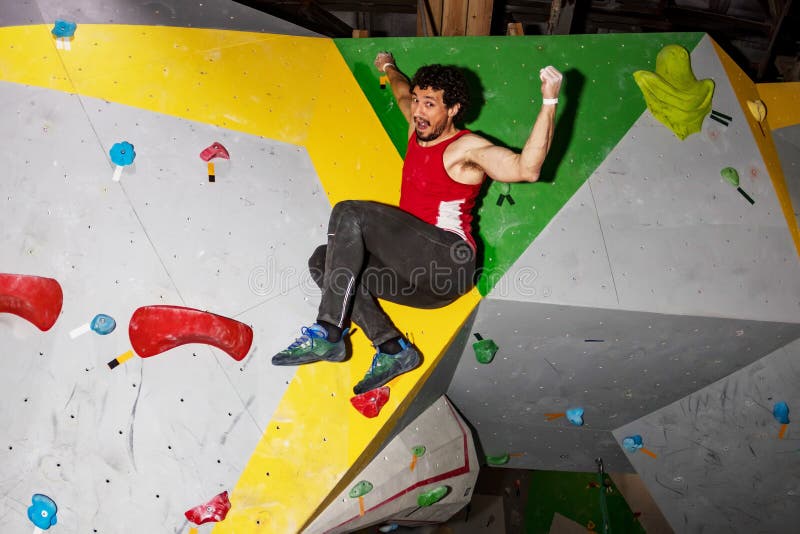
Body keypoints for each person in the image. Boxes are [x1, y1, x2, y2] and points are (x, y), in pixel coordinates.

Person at [272, 51, 563, 396]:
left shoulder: (466, 147)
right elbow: (399, 90)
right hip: (419, 286)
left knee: (350, 212)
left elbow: (525, 169)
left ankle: (329, 331)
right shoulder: (416, 125)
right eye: (417, 102)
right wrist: (389, 67)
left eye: (430, 104)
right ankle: (393, 349)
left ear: (453, 109)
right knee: (323, 259)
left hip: (447, 262)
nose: (419, 111)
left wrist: (549, 100)